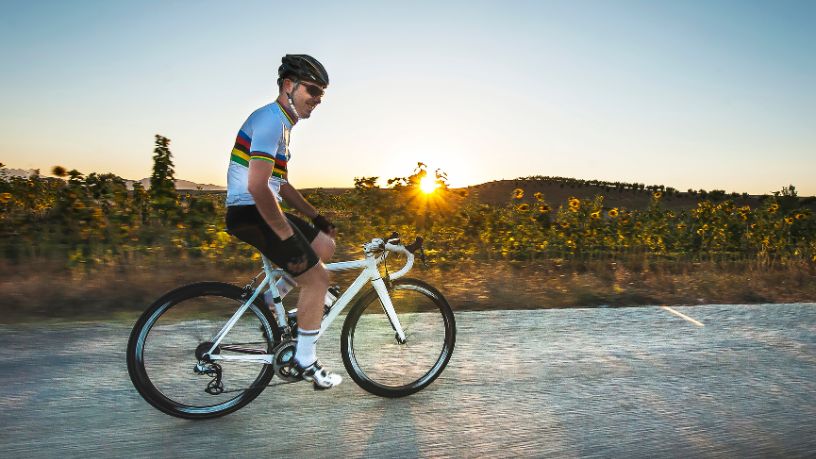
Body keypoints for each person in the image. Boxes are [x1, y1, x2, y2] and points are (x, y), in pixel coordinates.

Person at [224, 54, 342, 390]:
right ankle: (305, 359)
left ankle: (269, 297)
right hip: (251, 209)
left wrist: (315, 217)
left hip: (260, 206)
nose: (317, 100)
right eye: (313, 91)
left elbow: (281, 185)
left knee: (323, 246)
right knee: (318, 279)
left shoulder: (283, 126)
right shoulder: (269, 121)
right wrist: (282, 232)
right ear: (288, 86)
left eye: (322, 94)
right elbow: (257, 187)